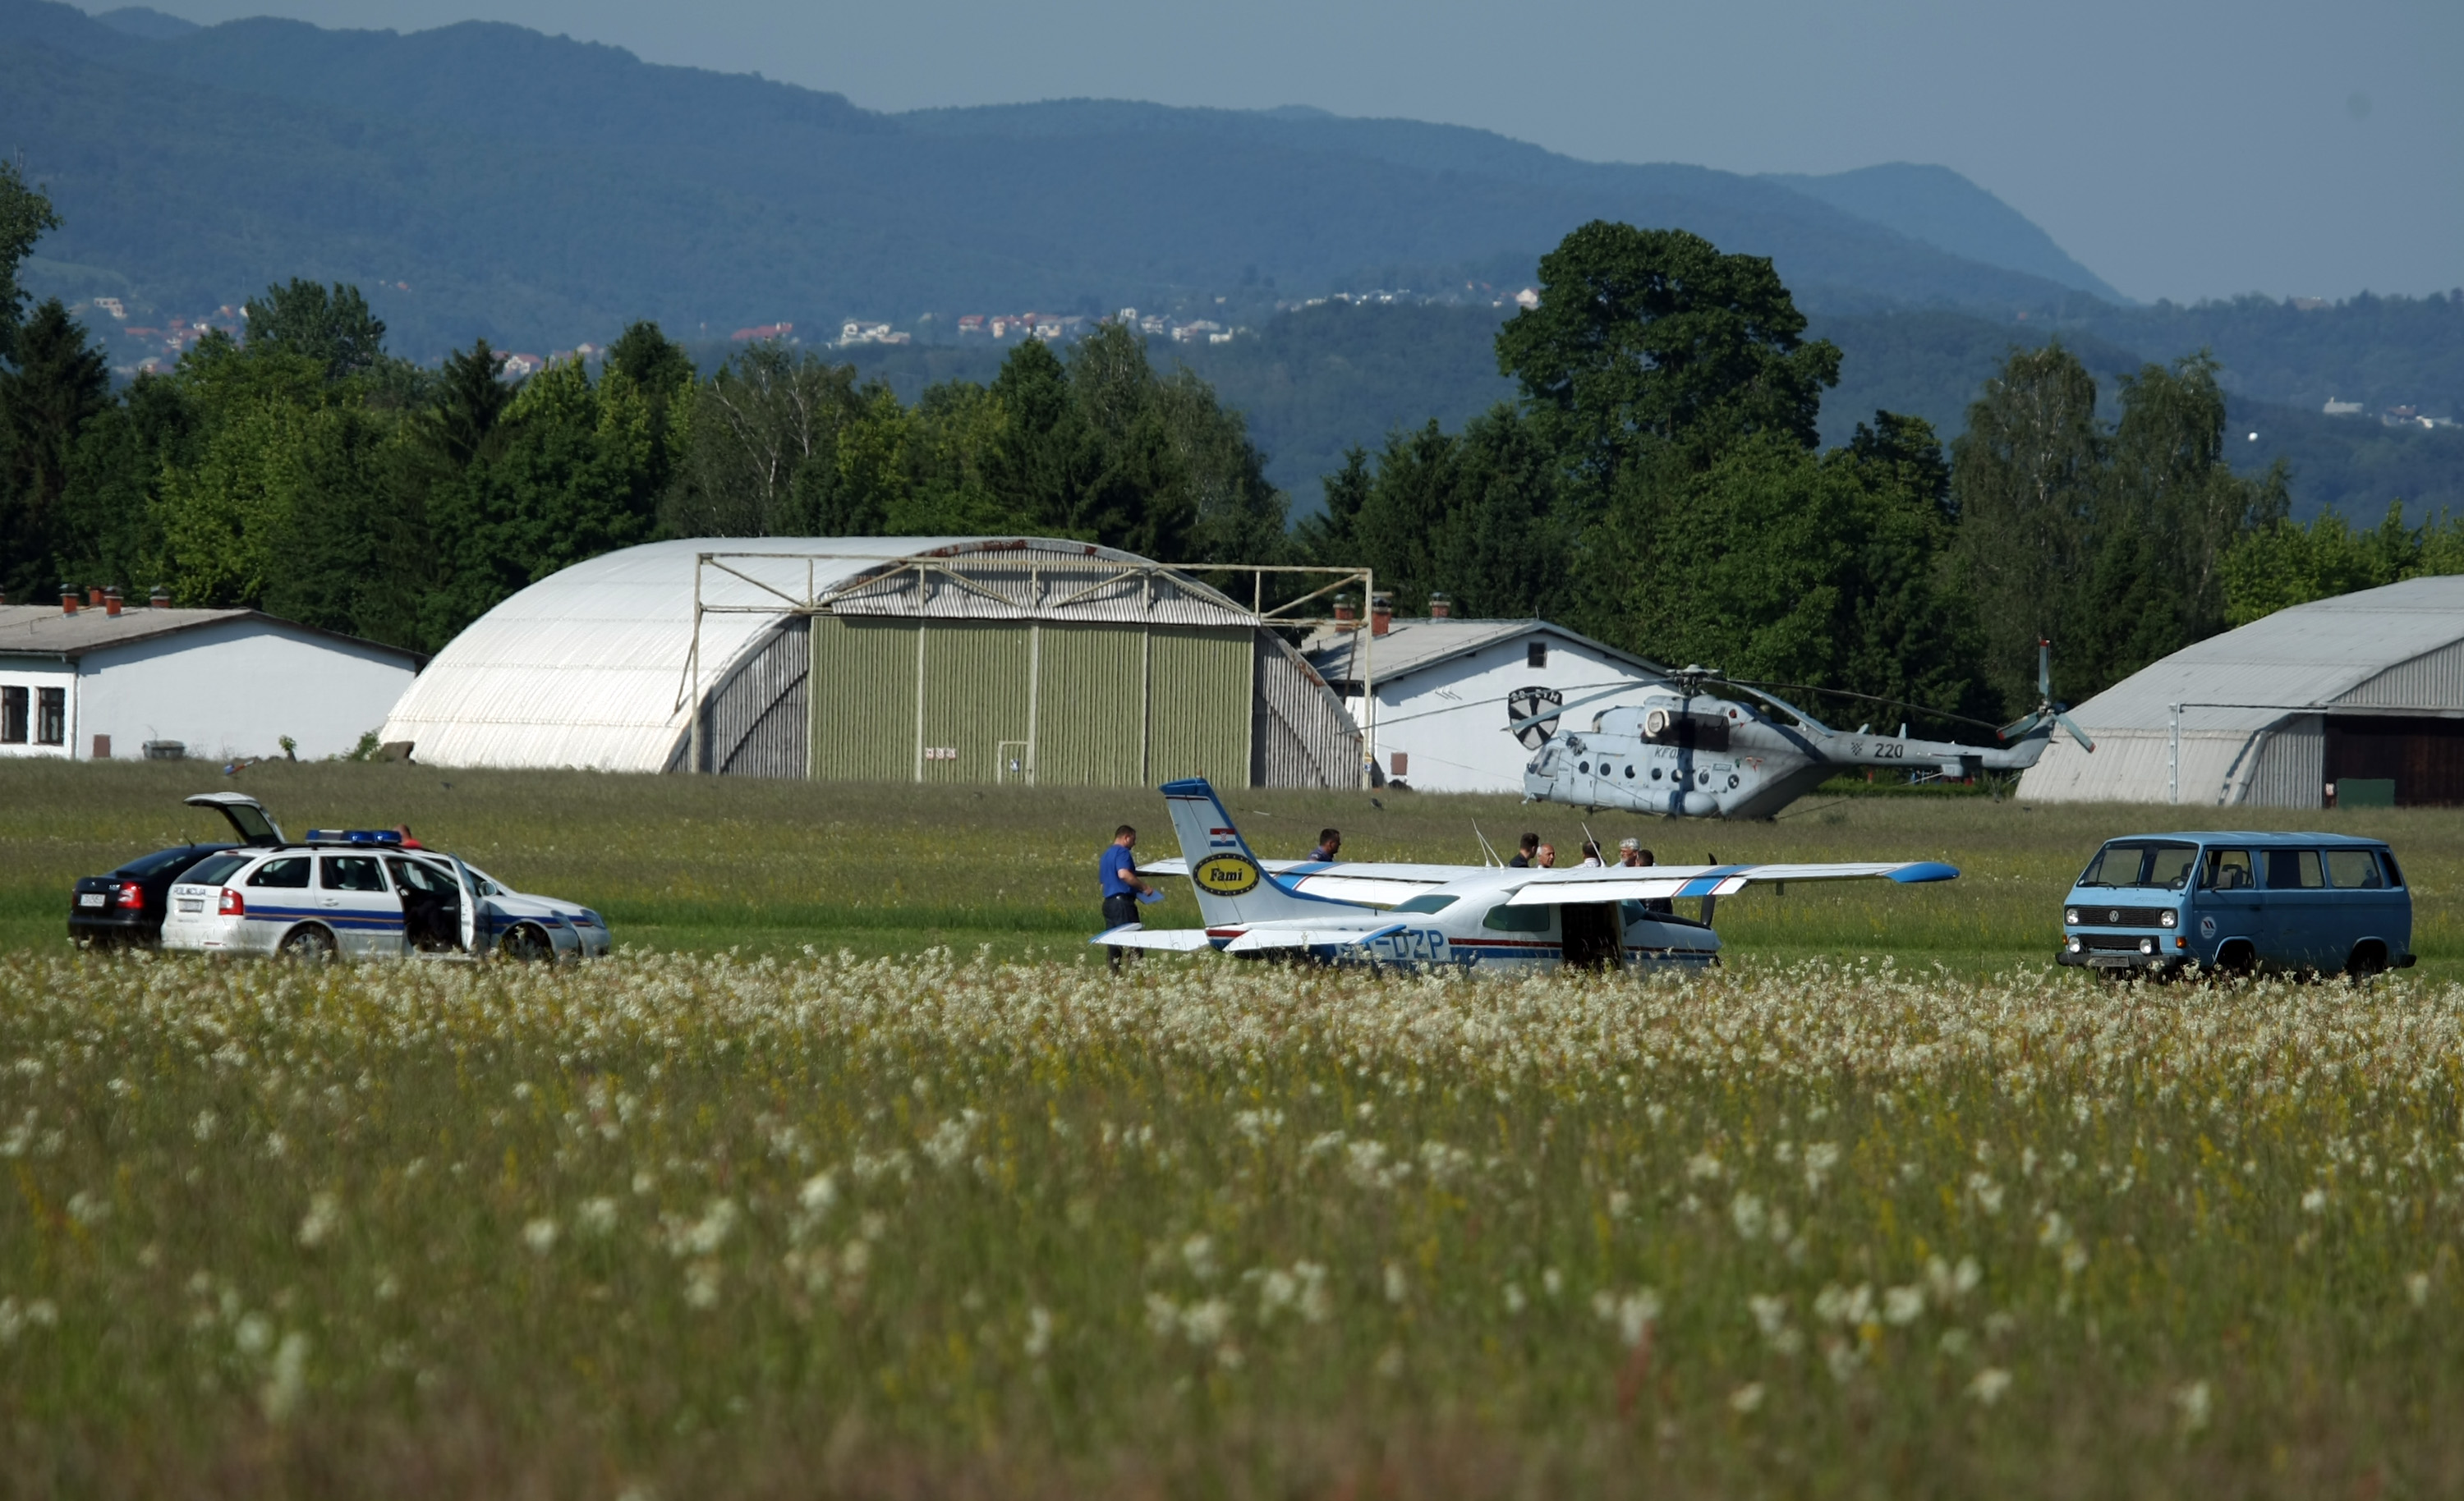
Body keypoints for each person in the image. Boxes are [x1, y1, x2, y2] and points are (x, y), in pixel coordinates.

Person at [1099, 824, 1155, 973]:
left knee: (1114, 942)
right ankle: (1136, 976)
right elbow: (1123, 874)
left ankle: (1114, 975)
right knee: (1134, 941)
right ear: (1126, 837)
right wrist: (1144, 888)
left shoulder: (1106, 855)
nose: (1134, 844)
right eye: (1133, 839)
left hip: (1109, 903)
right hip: (1123, 903)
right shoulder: (1122, 852)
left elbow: (1103, 883)